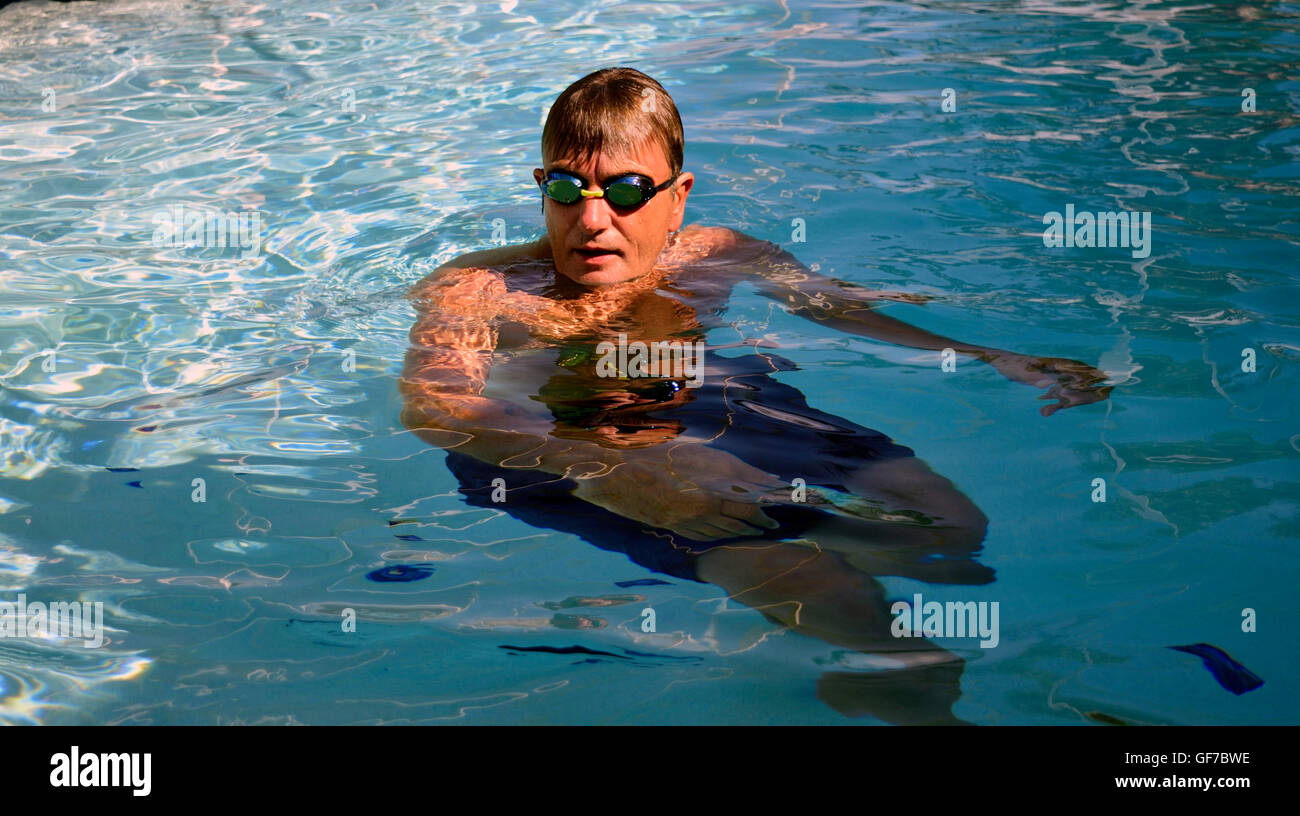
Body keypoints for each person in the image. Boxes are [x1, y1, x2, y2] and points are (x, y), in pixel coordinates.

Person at [399, 67, 1111, 724]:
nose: (592, 220)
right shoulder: (480, 291)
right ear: (541, 189)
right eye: (566, 190)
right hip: (555, 437)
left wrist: (992, 355)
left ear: (676, 198)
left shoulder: (714, 254)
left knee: (953, 535)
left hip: (710, 398)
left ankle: (795, 555)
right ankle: (870, 657)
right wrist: (615, 471)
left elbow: (834, 307)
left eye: (623, 192)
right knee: (836, 596)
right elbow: (438, 407)